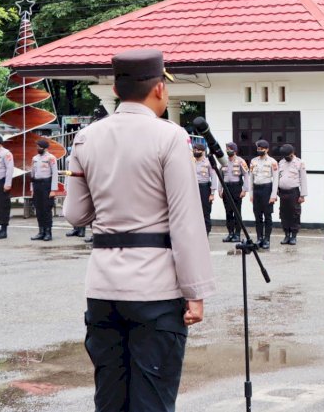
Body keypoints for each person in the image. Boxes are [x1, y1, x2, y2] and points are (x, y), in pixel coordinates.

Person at [63, 49, 216, 412]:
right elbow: (186, 221)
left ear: (116, 89)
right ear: (160, 89)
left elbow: (75, 214)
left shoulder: (86, 138)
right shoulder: (170, 137)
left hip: (102, 289)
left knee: (111, 398)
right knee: (152, 400)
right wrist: (196, 291)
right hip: (155, 290)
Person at [249, 139, 278, 249]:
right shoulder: (253, 161)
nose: (259, 150)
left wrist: (273, 195)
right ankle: (259, 238)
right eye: (258, 149)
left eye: (262, 149)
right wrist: (251, 194)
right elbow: (251, 178)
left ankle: (267, 239)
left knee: (267, 216)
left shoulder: (272, 162)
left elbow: (275, 180)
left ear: (267, 149)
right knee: (257, 216)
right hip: (257, 189)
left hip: (267, 189)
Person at [219, 142, 249, 242]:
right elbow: (220, 176)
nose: (227, 151)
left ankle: (237, 234)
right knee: (228, 212)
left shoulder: (241, 161)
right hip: (226, 188)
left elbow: (246, 175)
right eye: (226, 149)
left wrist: (244, 189)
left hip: (236, 188)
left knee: (237, 212)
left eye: (229, 149)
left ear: (235, 150)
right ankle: (230, 233)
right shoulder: (223, 161)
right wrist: (220, 189)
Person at [277, 144, 307, 245]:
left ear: (292, 153)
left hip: (294, 192)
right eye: (284, 156)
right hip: (282, 192)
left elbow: (303, 179)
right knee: (284, 214)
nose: (286, 157)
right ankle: (286, 235)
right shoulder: (281, 162)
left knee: (294, 214)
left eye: (287, 155)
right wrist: (276, 190)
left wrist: (302, 195)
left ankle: (293, 236)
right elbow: (278, 177)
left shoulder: (299, 163)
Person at [30, 139, 58, 241]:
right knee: (39, 209)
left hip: (46, 185)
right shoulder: (35, 158)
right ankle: (41, 232)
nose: (38, 148)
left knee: (46, 209)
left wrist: (53, 189)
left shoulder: (51, 158)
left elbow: (55, 174)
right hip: (37, 185)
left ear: (45, 148)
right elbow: (32, 174)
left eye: (39, 147)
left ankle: (48, 232)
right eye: (37, 146)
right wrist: (32, 188)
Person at [193, 143, 217, 235]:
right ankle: (196, 231)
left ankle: (206, 231)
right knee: (193, 210)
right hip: (193, 188)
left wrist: (212, 193)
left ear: (203, 152)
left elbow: (214, 177)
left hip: (204, 188)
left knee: (205, 210)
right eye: (195, 150)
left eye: (198, 150)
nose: (196, 152)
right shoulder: (191, 162)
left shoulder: (208, 162)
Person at [0, 134, 14, 239]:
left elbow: (10, 169)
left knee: (3, 206)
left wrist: (7, 184)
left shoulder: (6, 153)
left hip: (1, 182)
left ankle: (4, 230)